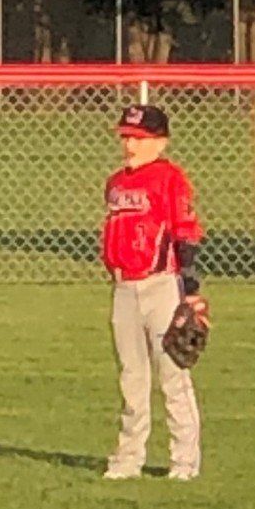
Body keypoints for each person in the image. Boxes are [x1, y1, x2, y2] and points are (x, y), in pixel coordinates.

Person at [101, 101, 206, 482]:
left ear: (161, 142)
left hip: (161, 285)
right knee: (132, 377)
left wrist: (190, 290)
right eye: (127, 137)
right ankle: (128, 459)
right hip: (123, 287)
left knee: (173, 374)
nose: (131, 145)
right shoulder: (115, 182)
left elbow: (185, 232)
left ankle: (184, 461)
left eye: (141, 139)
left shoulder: (169, 179)